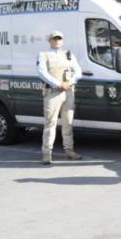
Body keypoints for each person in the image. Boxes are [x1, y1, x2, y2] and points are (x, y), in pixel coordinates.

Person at [37, 30, 82, 164]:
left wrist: (70, 82)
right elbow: (42, 73)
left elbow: (78, 72)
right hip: (53, 92)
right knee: (50, 123)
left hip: (68, 92)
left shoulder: (68, 54)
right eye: (54, 39)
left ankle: (69, 150)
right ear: (49, 41)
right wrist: (59, 84)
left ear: (62, 41)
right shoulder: (43, 55)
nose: (56, 41)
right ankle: (47, 153)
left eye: (59, 39)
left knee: (68, 123)